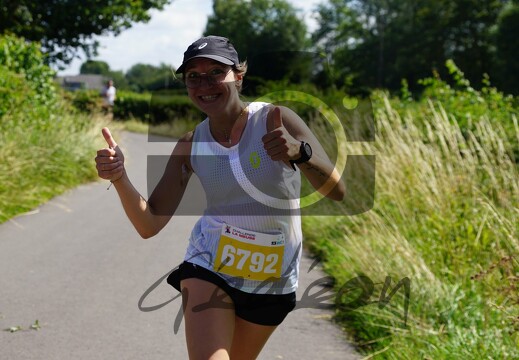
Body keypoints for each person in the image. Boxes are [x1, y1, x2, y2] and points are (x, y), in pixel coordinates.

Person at [95, 35, 345, 360]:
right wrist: (120, 177)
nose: (204, 84)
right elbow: (149, 223)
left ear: (238, 76)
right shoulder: (190, 144)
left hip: (273, 277)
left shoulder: (275, 119)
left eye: (216, 72)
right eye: (193, 76)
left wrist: (301, 154)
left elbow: (337, 192)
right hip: (210, 263)